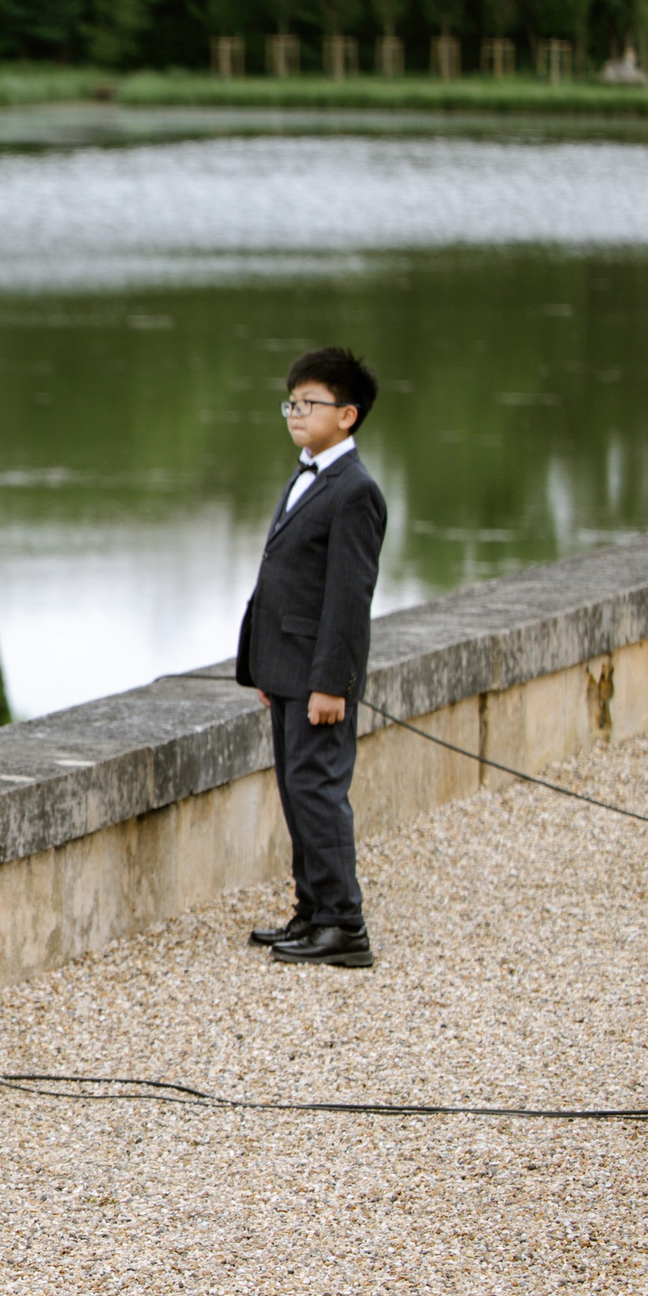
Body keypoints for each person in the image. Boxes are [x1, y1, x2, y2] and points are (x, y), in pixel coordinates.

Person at [234, 346, 388, 968]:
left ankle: (344, 926)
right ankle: (313, 911)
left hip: (320, 676)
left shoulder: (356, 491)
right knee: (297, 788)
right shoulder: (310, 475)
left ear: (347, 415)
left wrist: (332, 683)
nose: (295, 412)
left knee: (319, 788)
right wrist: (268, 666)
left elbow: (349, 599)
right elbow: (286, 578)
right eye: (290, 402)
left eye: (309, 403)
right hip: (288, 666)